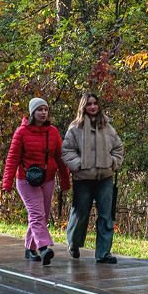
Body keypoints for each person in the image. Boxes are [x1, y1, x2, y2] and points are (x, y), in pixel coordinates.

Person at [2, 97, 70, 265]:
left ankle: (29, 248)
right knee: (37, 214)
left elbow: (60, 158)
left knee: (43, 215)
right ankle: (44, 247)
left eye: (45, 109)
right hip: (26, 180)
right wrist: (7, 183)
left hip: (47, 179)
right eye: (40, 110)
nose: (43, 113)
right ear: (32, 112)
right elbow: (12, 159)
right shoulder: (21, 132)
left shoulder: (53, 132)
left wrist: (65, 180)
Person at [61, 92, 124, 264]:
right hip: (83, 179)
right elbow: (66, 151)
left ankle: (103, 254)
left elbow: (118, 148)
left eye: (95, 103)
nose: (93, 106)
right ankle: (73, 243)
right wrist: (78, 164)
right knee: (80, 214)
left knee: (106, 216)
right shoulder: (75, 128)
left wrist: (112, 162)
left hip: (105, 178)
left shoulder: (108, 127)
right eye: (89, 104)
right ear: (83, 106)